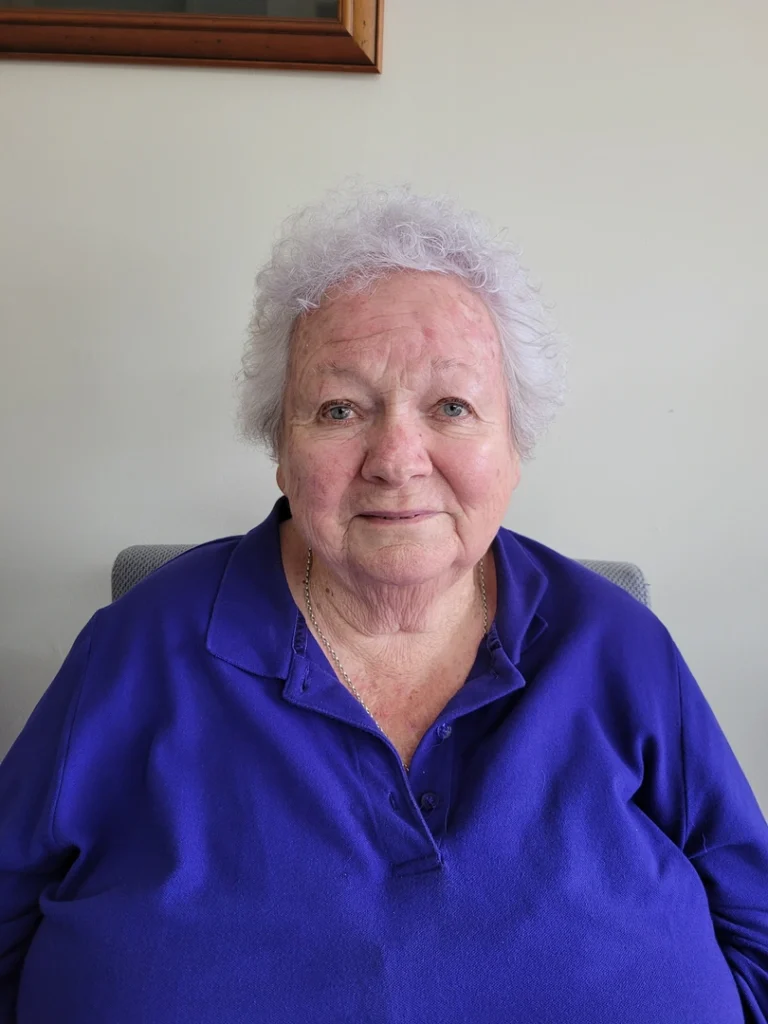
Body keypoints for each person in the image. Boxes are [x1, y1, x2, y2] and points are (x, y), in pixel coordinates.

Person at [1, 184, 766, 1024]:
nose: (397, 459)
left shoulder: (620, 645)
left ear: (514, 446)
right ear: (282, 451)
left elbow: (755, 931)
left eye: (451, 406)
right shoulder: (136, 648)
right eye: (340, 409)